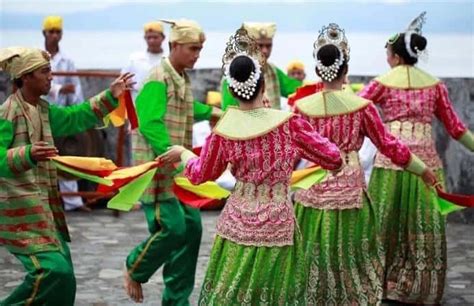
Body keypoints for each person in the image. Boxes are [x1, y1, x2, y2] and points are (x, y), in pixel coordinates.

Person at [162, 27, 342, 304]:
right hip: (277, 222)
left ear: (233, 90)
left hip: (238, 223)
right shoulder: (288, 123)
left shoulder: (224, 129)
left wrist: (184, 154)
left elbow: (200, 175)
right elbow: (333, 158)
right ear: (262, 86)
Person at [292, 23, 437, 305]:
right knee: (350, 252)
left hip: (313, 189)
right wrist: (423, 169)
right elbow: (390, 146)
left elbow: (291, 154)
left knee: (313, 251)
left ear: (319, 71)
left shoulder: (303, 108)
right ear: (345, 71)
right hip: (349, 190)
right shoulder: (362, 108)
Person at [0, 46, 133, 305]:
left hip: (43, 209)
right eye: (45, 72)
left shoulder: (43, 110)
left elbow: (74, 118)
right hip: (19, 213)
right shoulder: (7, 114)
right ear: (26, 77)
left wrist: (110, 96)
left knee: (65, 278)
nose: (52, 77)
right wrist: (27, 154)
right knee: (52, 272)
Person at [359, 12, 474, 304]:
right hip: (427, 163)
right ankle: (418, 288)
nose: (386, 58)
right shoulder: (435, 85)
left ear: (396, 57)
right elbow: (457, 129)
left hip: (392, 161)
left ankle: (382, 284)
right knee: (422, 227)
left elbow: (354, 108)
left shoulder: (382, 83)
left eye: (388, 53)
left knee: (385, 223)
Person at [125, 19, 221, 304]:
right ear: (175, 46)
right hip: (157, 175)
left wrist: (216, 113)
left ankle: (176, 300)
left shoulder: (180, 77)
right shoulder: (158, 78)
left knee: (192, 228)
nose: (197, 55)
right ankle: (135, 267)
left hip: (177, 175)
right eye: (193, 49)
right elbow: (149, 122)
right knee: (173, 228)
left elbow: (187, 107)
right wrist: (174, 153)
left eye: (200, 50)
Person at [42, 15, 89, 212]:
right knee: (41, 157)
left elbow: (75, 88)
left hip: (61, 114)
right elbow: (38, 85)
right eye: (51, 32)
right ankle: (43, 202)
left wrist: (77, 114)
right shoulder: (37, 57)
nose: (54, 35)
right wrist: (61, 88)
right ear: (44, 33)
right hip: (41, 112)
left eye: (57, 32)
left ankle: (72, 202)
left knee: (66, 156)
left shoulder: (67, 61)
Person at [221, 22, 302, 110]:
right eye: (260, 45)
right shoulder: (235, 74)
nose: (265, 51)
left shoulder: (272, 70)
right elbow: (228, 112)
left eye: (268, 46)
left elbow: (296, 89)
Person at [122, 21, 166, 101]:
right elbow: (123, 79)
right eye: (149, 37)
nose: (151, 41)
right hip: (137, 104)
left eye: (155, 37)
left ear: (163, 38)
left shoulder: (168, 60)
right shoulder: (134, 59)